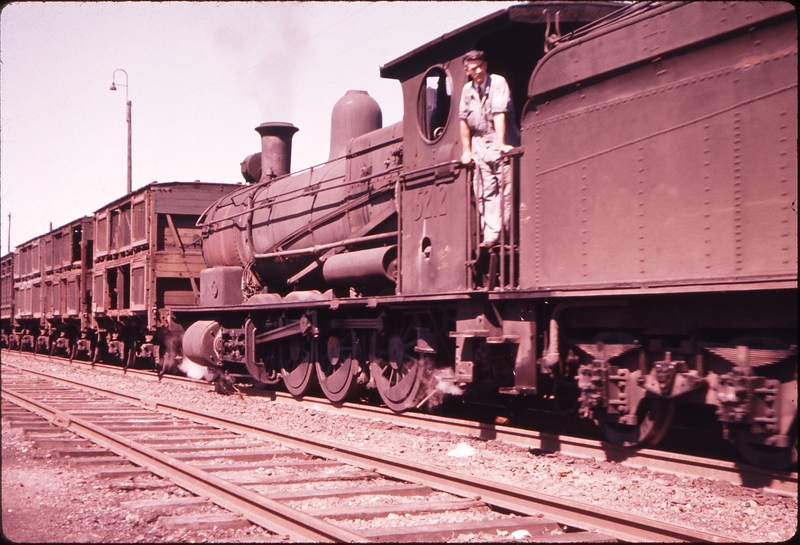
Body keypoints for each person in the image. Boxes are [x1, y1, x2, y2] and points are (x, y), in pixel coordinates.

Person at [459, 50, 520, 248]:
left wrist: (501, 143)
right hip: (479, 141)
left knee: (506, 188)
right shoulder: (467, 90)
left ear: (485, 65)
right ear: (466, 70)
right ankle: (492, 235)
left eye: (480, 66)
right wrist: (467, 151)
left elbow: (499, 113)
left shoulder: (498, 82)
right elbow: (463, 121)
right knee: (485, 189)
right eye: (472, 68)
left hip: (498, 135)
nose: (477, 71)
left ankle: (508, 234)